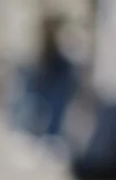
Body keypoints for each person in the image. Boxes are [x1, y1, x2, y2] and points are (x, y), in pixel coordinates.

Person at [5, 12, 80, 164]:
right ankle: (26, 133)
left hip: (50, 61)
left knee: (52, 99)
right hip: (35, 60)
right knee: (30, 98)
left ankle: (48, 135)